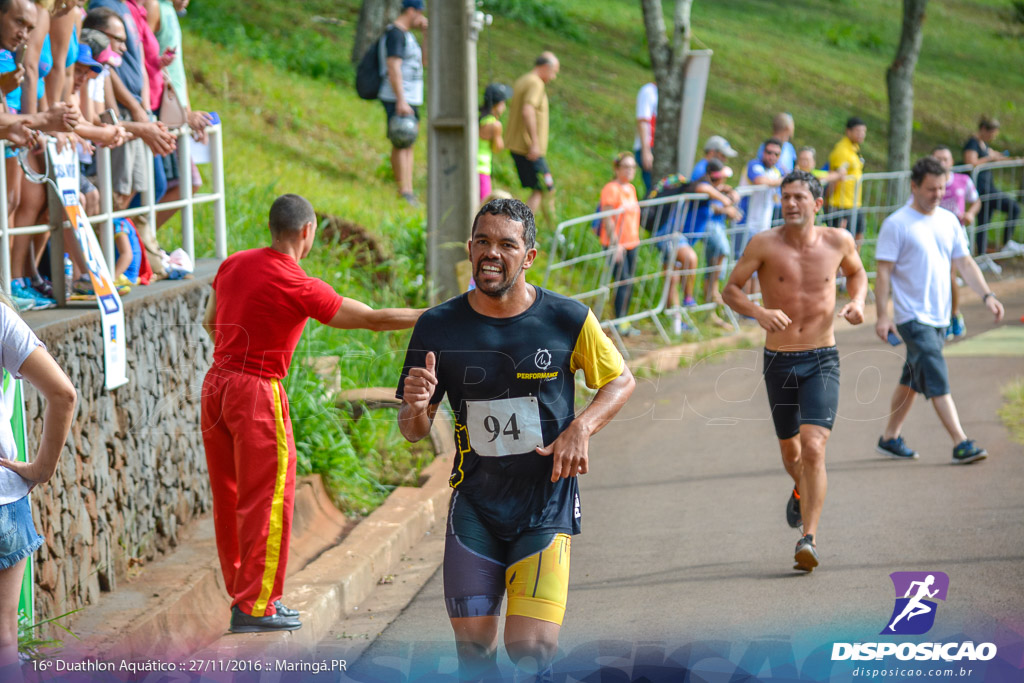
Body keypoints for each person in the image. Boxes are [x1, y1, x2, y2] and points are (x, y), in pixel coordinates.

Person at [396, 198, 635, 682]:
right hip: (475, 508)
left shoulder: (568, 319)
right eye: (482, 241)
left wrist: (580, 427)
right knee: (473, 654)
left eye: (506, 244)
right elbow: (414, 429)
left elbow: (621, 380)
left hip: (545, 506)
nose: (491, 253)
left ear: (528, 257)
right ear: (469, 249)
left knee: (530, 652)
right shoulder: (438, 326)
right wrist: (416, 408)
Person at [201, 194, 423, 633]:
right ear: (307, 231)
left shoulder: (234, 264)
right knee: (268, 499)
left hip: (217, 384)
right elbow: (374, 319)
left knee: (230, 497)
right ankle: (257, 606)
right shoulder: (298, 283)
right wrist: (438, 315)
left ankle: (244, 595)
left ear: (273, 227)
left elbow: (211, 322)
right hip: (257, 391)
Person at [722, 170, 867, 572]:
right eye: (785, 197)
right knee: (792, 452)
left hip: (822, 356)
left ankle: (809, 538)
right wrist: (759, 311)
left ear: (817, 205)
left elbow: (857, 273)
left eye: (799, 197)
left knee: (815, 447)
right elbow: (730, 289)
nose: (790, 203)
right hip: (780, 361)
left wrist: (858, 301)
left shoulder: (838, 241)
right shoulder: (764, 243)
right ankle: (800, 490)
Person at [874, 157, 1004, 465]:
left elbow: (965, 263)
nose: (938, 194)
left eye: (942, 188)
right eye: (931, 189)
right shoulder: (896, 224)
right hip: (912, 317)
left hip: (939, 317)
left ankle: (890, 438)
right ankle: (961, 442)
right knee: (934, 371)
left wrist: (987, 294)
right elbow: (883, 273)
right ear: (914, 186)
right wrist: (882, 315)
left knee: (913, 378)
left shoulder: (948, 220)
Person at [0, 299, 77, 683]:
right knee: (4, 639)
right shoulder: (1, 316)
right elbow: (63, 394)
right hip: (3, 500)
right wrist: (41, 470)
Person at [379, 0, 426, 206]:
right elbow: (393, 66)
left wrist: (427, 35)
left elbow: (424, 62)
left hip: (410, 97)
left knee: (409, 142)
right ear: (411, 10)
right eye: (420, 13)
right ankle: (404, 190)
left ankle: (408, 187)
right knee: (402, 140)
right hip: (400, 97)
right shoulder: (396, 34)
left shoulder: (408, 35)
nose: (422, 17)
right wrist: (401, 100)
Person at [932, 145, 981, 339]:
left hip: (954, 235)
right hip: (932, 236)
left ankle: (953, 316)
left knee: (949, 275)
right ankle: (941, 317)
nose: (942, 163)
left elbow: (976, 200)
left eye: (945, 159)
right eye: (938, 159)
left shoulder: (963, 180)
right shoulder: (926, 183)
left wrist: (970, 213)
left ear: (952, 162)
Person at [506, 51, 559, 226]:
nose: (554, 77)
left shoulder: (524, 79)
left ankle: (535, 227)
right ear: (545, 67)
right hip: (529, 148)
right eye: (554, 72)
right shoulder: (536, 83)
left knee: (541, 188)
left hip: (519, 145)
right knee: (544, 188)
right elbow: (527, 110)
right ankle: (525, 229)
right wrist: (535, 143)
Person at [962, 115, 1020, 254]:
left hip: (988, 188)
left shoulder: (984, 145)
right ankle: (1006, 243)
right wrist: (989, 158)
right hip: (982, 190)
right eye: (991, 133)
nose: (993, 137)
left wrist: (1015, 160)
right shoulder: (972, 143)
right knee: (1014, 208)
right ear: (983, 129)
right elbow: (970, 163)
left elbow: (998, 157)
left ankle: (981, 255)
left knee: (984, 222)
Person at [599, 152, 642, 336]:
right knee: (622, 281)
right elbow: (607, 218)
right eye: (626, 166)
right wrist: (615, 244)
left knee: (628, 282)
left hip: (632, 243)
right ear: (617, 168)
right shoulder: (611, 188)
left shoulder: (631, 189)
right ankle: (618, 321)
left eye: (633, 167)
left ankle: (623, 320)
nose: (630, 170)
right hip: (616, 244)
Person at [737, 138, 783, 289]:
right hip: (745, 223)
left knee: (760, 266)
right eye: (769, 152)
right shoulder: (754, 165)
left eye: (776, 154)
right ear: (762, 152)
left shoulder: (776, 172)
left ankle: (754, 304)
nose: (772, 157)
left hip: (763, 226)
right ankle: (740, 305)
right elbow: (759, 180)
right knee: (744, 266)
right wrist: (783, 181)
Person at [827, 116, 867, 247]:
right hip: (841, 203)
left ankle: (855, 266)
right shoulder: (842, 150)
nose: (861, 134)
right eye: (857, 131)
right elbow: (836, 176)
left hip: (854, 202)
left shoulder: (855, 149)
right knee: (842, 242)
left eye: (863, 131)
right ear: (848, 131)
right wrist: (828, 199)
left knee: (859, 235)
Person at [477, 82, 510, 202]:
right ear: (498, 105)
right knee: (483, 206)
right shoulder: (495, 125)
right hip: (482, 169)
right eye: (504, 104)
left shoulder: (478, 118)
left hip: (472, 166)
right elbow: (497, 148)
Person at [633, 81, 657, 196]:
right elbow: (643, 120)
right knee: (653, 191)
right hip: (648, 148)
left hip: (657, 148)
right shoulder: (649, 91)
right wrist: (646, 151)